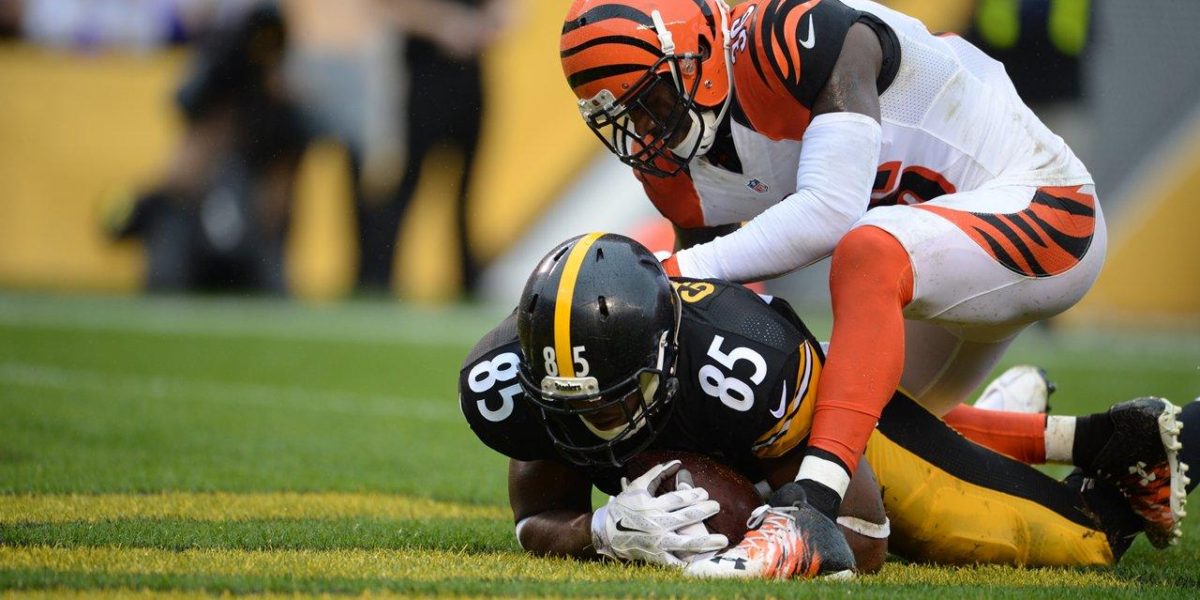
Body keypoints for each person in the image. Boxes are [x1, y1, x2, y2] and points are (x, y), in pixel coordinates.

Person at [556, 0, 1142, 546]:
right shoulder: (672, 173)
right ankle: (1101, 440)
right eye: (621, 120)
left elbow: (831, 212)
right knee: (819, 400)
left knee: (867, 248)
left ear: (696, 59)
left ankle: (814, 502)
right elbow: (712, 305)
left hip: (1046, 210)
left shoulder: (791, 37)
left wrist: (674, 269)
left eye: (650, 102)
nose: (644, 132)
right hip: (940, 267)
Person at [459, 233, 1193, 579]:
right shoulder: (518, 382)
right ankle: (1044, 429)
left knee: (1074, 543)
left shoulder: (742, 366)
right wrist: (602, 531)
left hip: (824, 433)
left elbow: (859, 535)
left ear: (659, 354)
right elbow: (534, 518)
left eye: (616, 404)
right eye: (578, 408)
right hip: (748, 434)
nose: (599, 427)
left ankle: (1135, 451)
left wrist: (756, 520)